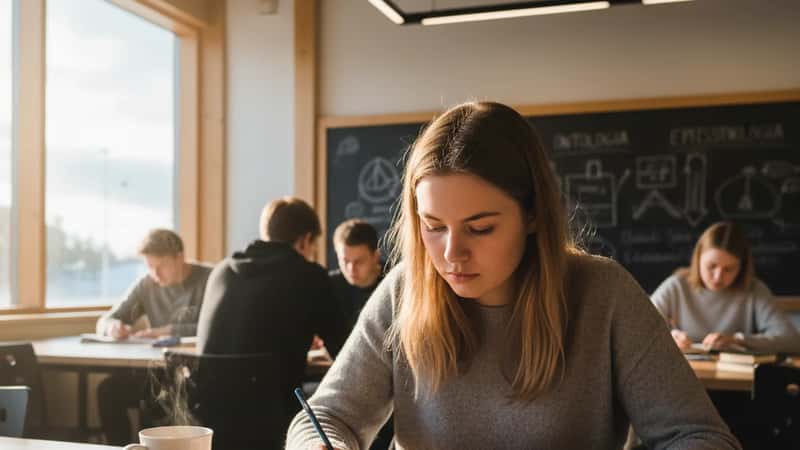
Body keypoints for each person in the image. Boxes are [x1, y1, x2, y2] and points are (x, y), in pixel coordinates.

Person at [286, 102, 740, 449]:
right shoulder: (406, 289)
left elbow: (701, 436)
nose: (451, 253)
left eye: (480, 228)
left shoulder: (604, 294)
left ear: (533, 215)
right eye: (433, 226)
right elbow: (322, 418)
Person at [196, 196, 350, 447]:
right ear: (305, 240)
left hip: (211, 417)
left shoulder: (221, 271)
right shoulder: (309, 276)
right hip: (274, 419)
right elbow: (346, 354)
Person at [96, 229, 212, 445]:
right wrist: (113, 327)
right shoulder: (147, 285)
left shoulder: (210, 279)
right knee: (109, 390)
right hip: (155, 370)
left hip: (195, 374)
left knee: (160, 395)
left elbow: (213, 324)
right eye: (150, 267)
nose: (155, 274)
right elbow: (106, 320)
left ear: (180, 257)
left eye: (161, 266)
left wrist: (167, 331)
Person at [651, 221, 800, 354]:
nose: (717, 277)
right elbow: (638, 329)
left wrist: (738, 340)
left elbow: (792, 341)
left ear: (741, 268)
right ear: (698, 259)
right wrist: (670, 337)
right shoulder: (676, 286)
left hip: (736, 380)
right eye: (711, 266)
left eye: (728, 269)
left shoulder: (754, 290)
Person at [329, 219, 384, 332]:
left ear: (376, 256)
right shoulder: (328, 286)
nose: (351, 269)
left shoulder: (395, 282)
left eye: (359, 261)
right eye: (345, 261)